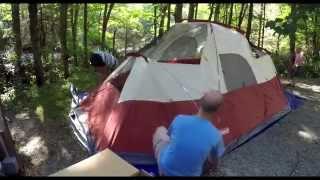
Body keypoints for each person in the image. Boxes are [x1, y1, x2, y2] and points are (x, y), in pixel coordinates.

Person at [152, 90, 225, 176]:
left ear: (200, 102)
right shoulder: (216, 135)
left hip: (166, 170)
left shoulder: (179, 119)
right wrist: (215, 168)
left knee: (160, 130)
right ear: (218, 109)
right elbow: (214, 160)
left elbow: (170, 137)